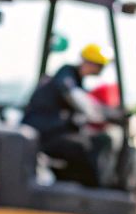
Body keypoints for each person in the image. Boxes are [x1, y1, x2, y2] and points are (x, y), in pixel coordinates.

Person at [21, 43, 123, 187]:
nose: (100, 70)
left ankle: (87, 185)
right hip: (44, 134)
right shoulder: (66, 75)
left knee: (93, 142)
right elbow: (79, 100)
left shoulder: (76, 81)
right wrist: (106, 115)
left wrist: (111, 113)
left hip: (54, 132)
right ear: (89, 63)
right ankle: (96, 189)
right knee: (89, 146)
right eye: (99, 66)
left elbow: (86, 102)